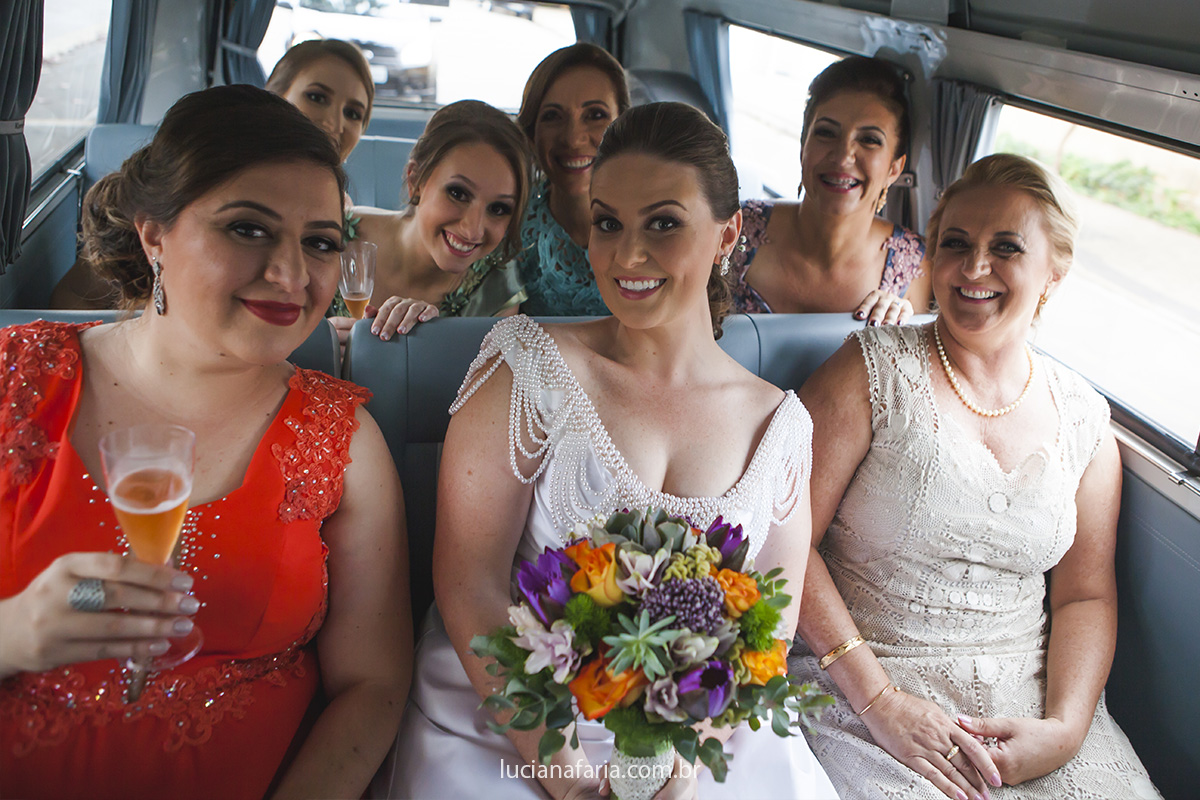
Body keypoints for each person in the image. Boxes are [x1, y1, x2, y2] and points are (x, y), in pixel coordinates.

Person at [381, 102, 838, 799]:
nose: (628, 255)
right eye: (607, 223)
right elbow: (469, 585)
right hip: (513, 722)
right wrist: (565, 775)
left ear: (727, 234)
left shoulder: (779, 427)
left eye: (663, 223)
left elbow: (764, 641)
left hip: (700, 735)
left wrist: (679, 758)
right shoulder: (525, 368)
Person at [0, 86, 412, 800]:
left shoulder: (344, 443)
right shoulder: (14, 381)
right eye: (248, 229)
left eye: (319, 242)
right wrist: (13, 633)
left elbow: (373, 683)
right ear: (153, 234)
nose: (291, 275)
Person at [790, 153, 1159, 799]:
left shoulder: (1086, 423)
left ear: (1055, 272)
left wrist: (1066, 729)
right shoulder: (869, 372)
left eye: (1005, 248)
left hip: (1034, 706)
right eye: (954, 244)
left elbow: (1084, 597)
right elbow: (785, 540)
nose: (973, 268)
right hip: (865, 689)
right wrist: (878, 701)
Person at [50, 38, 375, 313]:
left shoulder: (346, 217)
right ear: (275, 93)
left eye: (353, 113)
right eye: (317, 97)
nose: (334, 122)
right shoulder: (192, 182)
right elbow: (72, 299)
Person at [729, 56, 927, 325]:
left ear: (894, 168)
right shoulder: (735, 230)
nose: (843, 156)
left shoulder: (915, 267)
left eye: (869, 140)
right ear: (803, 148)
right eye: (826, 133)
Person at [347, 100, 534, 339]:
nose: (472, 230)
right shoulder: (332, 237)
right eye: (458, 193)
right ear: (415, 180)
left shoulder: (496, 286)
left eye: (498, 209)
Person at [475, 42, 631, 317]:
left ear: (625, 125)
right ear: (532, 133)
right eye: (552, 116)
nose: (573, 138)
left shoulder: (659, 224)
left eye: (595, 115)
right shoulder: (504, 224)